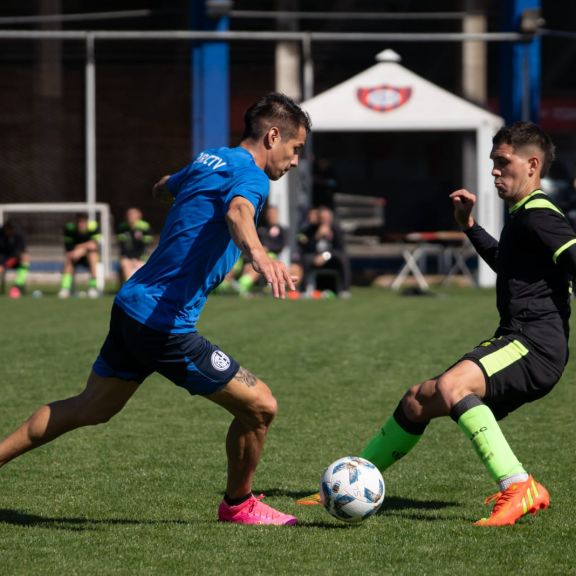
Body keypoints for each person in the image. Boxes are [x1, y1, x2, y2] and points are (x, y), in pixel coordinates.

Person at [0, 92, 311, 526]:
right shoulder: (252, 177)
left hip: (132, 305)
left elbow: (166, 185)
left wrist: (170, 189)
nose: (295, 161)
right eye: (295, 149)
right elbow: (239, 213)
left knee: (92, 407)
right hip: (164, 323)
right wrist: (260, 255)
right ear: (272, 136)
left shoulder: (211, 159)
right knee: (261, 407)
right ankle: (239, 506)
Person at [298, 121, 576, 526]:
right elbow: (509, 267)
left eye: (503, 162)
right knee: (418, 399)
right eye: (492, 163)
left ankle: (519, 485)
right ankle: (350, 481)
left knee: (452, 386)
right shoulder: (522, 215)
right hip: (518, 340)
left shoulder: (538, 215)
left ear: (533, 165)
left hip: (534, 345)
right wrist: (469, 226)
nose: (495, 171)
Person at [298, 205, 351, 298]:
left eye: (326, 218)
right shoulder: (312, 229)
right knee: (306, 259)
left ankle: (344, 290)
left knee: (343, 258)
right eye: (322, 218)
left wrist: (326, 255)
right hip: (315, 258)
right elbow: (307, 247)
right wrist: (317, 236)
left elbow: (340, 248)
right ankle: (304, 290)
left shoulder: (336, 229)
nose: (324, 220)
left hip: (331, 258)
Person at [236, 204, 287, 296]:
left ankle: (241, 285)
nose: (271, 216)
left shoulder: (281, 230)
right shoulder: (260, 228)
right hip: (256, 254)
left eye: (273, 214)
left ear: (277, 215)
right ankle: (238, 288)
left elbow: (281, 246)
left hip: (271, 255)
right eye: (270, 214)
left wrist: (267, 248)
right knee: (247, 265)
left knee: (261, 264)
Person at [58, 213, 102, 299]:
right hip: (75, 257)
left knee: (93, 256)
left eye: (83, 222)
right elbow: (69, 249)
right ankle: (65, 288)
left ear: (87, 222)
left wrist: (81, 249)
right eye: (79, 222)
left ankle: (93, 287)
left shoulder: (94, 228)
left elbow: (94, 245)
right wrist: (84, 247)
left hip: (89, 257)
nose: (81, 224)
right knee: (69, 258)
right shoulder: (69, 229)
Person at [117, 207, 154, 284]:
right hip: (128, 256)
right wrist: (128, 258)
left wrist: (138, 258)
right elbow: (123, 246)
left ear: (139, 216)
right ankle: (129, 287)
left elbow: (147, 245)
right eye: (129, 215)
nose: (130, 217)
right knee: (124, 263)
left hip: (142, 257)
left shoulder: (144, 227)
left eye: (133, 215)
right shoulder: (122, 227)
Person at [0, 219, 30, 298]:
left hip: (14, 259)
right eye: (8, 229)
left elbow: (20, 251)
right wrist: (3, 264)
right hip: (2, 260)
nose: (11, 231)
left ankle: (18, 285)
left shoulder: (19, 235)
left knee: (25, 257)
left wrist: (11, 261)